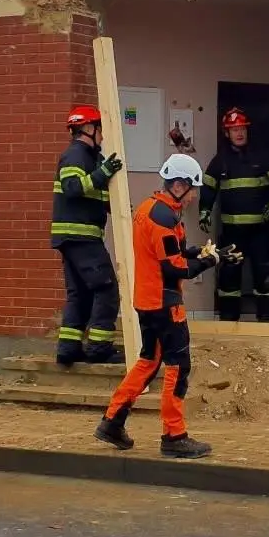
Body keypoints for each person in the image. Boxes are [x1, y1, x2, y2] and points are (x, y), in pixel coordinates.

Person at [95, 154, 235, 459]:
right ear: (179, 185)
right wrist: (211, 262)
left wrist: (208, 252)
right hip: (164, 302)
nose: (195, 195)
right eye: (193, 189)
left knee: (148, 362)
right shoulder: (163, 218)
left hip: (147, 300)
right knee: (178, 366)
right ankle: (174, 435)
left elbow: (177, 251)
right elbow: (176, 268)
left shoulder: (151, 209)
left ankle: (112, 421)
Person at [50, 104, 124, 366]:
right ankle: (99, 348)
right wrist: (102, 173)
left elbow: (96, 196)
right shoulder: (76, 156)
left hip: (74, 238)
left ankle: (68, 349)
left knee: (80, 293)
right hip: (81, 236)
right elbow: (72, 188)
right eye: (100, 129)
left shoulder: (90, 158)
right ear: (89, 129)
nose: (102, 136)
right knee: (106, 288)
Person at [199, 107, 269, 322]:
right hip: (232, 233)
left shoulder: (264, 156)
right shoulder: (220, 160)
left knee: (264, 276)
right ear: (226, 133)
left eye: (242, 129)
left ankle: (266, 320)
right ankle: (229, 321)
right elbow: (208, 187)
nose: (239, 133)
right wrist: (204, 211)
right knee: (229, 277)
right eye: (234, 129)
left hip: (261, 231)